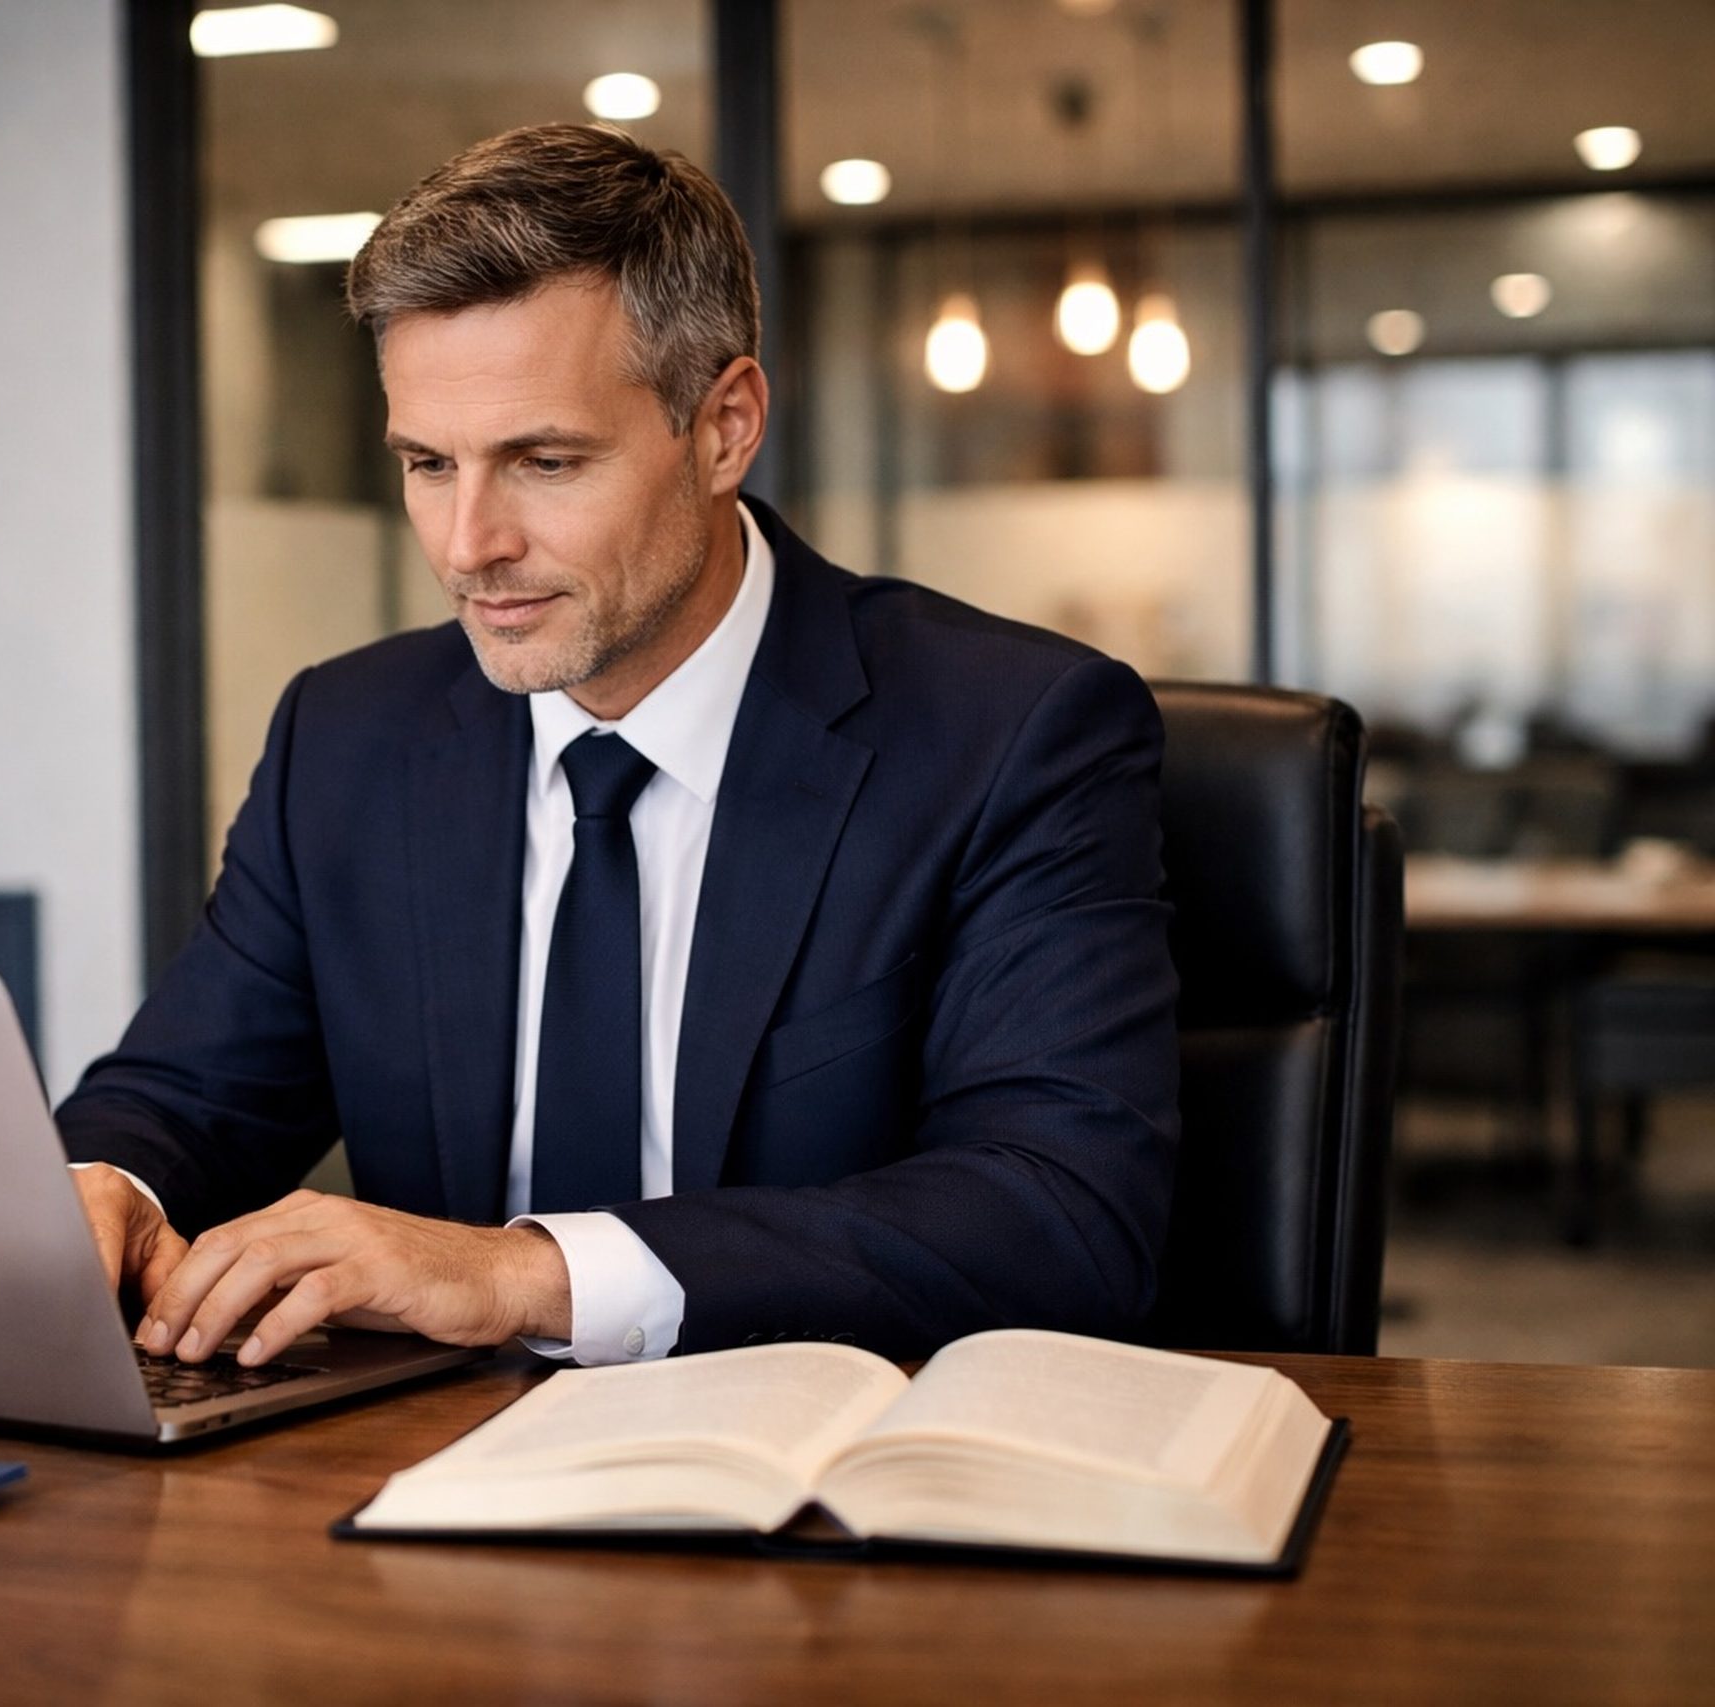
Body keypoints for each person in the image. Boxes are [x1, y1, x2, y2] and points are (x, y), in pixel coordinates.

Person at [57, 123, 1179, 1371]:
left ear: (722, 426)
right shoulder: (349, 736)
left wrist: (522, 1275)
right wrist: (107, 1185)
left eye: (543, 462)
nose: (467, 543)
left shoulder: (1008, 733)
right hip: (417, 1483)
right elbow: (184, 1095)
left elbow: (1062, 1217)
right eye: (428, 464)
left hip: (813, 1490)